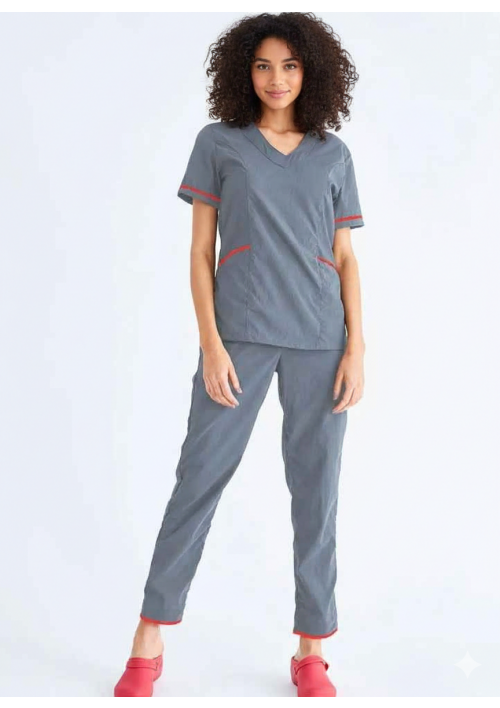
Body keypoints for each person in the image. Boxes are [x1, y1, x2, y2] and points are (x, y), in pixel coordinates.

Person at [114, 11, 366, 699]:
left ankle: (311, 650)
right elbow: (201, 252)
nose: (276, 79)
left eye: (289, 65)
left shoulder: (332, 154)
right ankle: (148, 639)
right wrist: (211, 343)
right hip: (240, 338)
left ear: (311, 72)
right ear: (243, 72)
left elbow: (345, 257)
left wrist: (357, 346)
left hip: (321, 339)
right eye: (262, 65)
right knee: (198, 478)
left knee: (317, 493)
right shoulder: (219, 144)